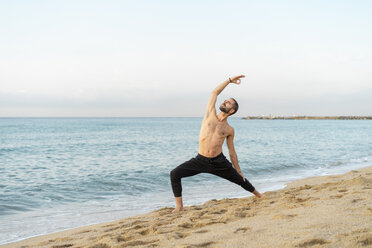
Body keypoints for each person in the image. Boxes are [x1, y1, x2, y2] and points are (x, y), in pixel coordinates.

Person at [170, 75, 262, 213]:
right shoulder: (210, 113)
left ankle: (259, 196)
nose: (224, 102)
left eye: (228, 103)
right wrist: (230, 81)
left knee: (239, 179)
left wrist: (238, 169)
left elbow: (232, 151)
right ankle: (179, 207)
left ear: (231, 111)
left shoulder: (229, 129)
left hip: (219, 162)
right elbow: (214, 92)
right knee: (175, 174)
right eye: (226, 100)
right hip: (200, 160)